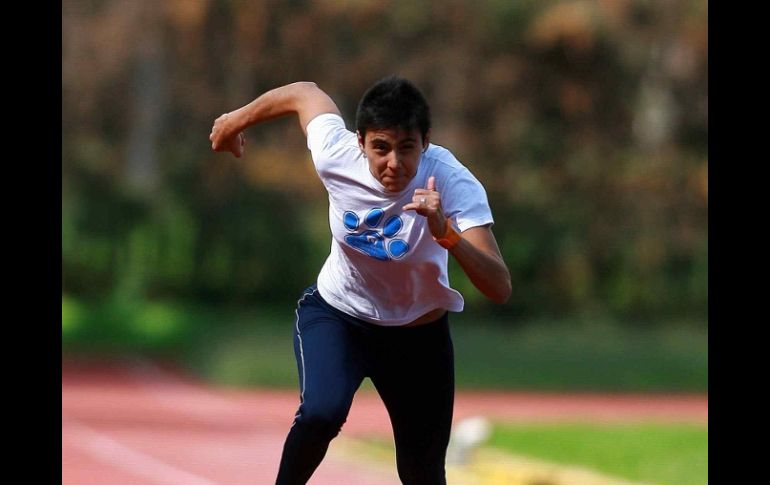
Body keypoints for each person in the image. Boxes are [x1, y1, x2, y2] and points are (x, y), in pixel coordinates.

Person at [209, 76, 511, 485]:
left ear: (426, 142)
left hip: (417, 337)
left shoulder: (452, 182)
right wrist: (233, 122)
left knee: (422, 473)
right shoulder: (336, 154)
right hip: (340, 317)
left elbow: (498, 286)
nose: (394, 164)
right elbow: (304, 92)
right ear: (360, 142)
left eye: (407, 148)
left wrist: (447, 234)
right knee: (321, 413)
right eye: (380, 148)